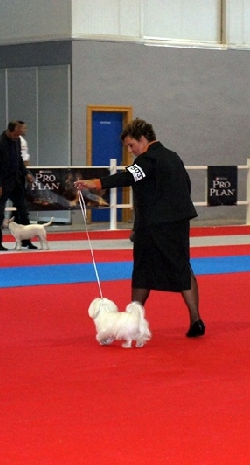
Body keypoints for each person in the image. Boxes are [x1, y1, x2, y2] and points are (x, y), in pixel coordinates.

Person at [74, 118, 205, 337]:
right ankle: (196, 320)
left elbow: (128, 177)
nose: (131, 150)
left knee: (143, 271)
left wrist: (97, 183)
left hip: (154, 225)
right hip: (179, 223)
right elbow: (186, 186)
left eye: (131, 145)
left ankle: (131, 321)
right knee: (183, 269)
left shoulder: (147, 160)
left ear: (143, 139)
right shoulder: (173, 157)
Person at [0, 120, 36, 251]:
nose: (20, 135)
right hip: (3, 183)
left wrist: (26, 173)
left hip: (17, 182)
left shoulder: (17, 141)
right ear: (11, 130)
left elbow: (19, 160)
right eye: (18, 132)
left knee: (23, 211)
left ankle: (26, 240)